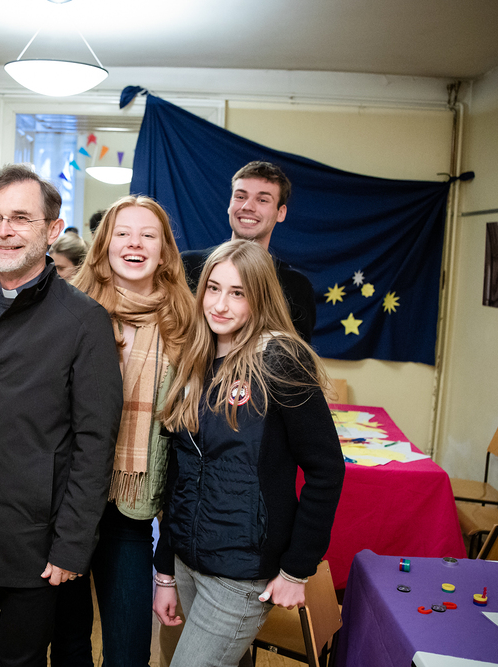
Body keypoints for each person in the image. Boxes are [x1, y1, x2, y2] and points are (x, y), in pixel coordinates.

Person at [0, 164, 124, 667]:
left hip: (34, 541)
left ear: (52, 230)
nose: (4, 230)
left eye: (20, 218)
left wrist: (72, 545)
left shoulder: (84, 321)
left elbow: (95, 443)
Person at [153, 240, 344, 667]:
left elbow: (327, 469)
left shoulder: (279, 360)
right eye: (213, 288)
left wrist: (297, 569)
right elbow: (179, 473)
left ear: (260, 298)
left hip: (241, 574)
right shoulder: (196, 357)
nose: (220, 304)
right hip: (188, 561)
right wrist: (164, 569)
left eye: (237, 293)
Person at [49, 196, 194, 666]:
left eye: (148, 235)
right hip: (65, 502)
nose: (135, 243)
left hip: (131, 508)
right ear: (104, 245)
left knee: (129, 652)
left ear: (164, 250)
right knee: (68, 645)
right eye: (123, 233)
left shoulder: (188, 326)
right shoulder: (68, 311)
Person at [180, 161, 316, 343]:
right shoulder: (188, 266)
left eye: (262, 200)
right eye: (240, 196)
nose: (247, 206)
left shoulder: (297, 287)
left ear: (281, 213)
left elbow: (296, 356)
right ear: (230, 204)